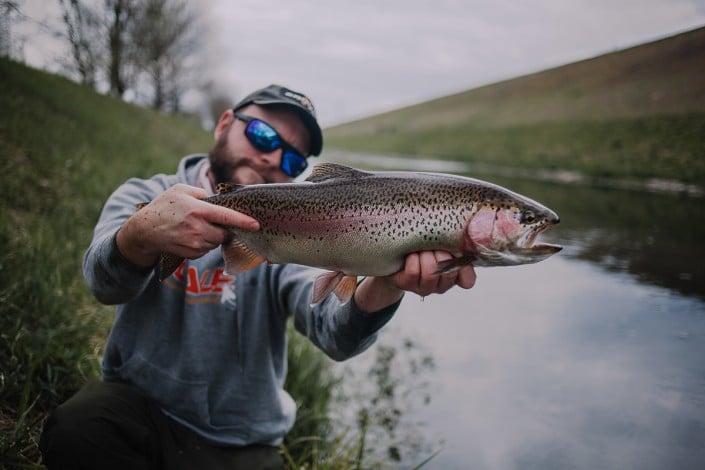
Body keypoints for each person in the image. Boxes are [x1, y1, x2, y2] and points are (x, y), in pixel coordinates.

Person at [39, 85, 477, 469]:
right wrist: (141, 234)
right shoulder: (143, 196)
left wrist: (386, 282)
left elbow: (335, 335)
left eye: (292, 157)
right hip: (139, 413)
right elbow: (104, 284)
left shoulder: (300, 230)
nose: (272, 157)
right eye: (263, 135)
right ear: (225, 122)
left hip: (242, 444)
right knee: (78, 427)